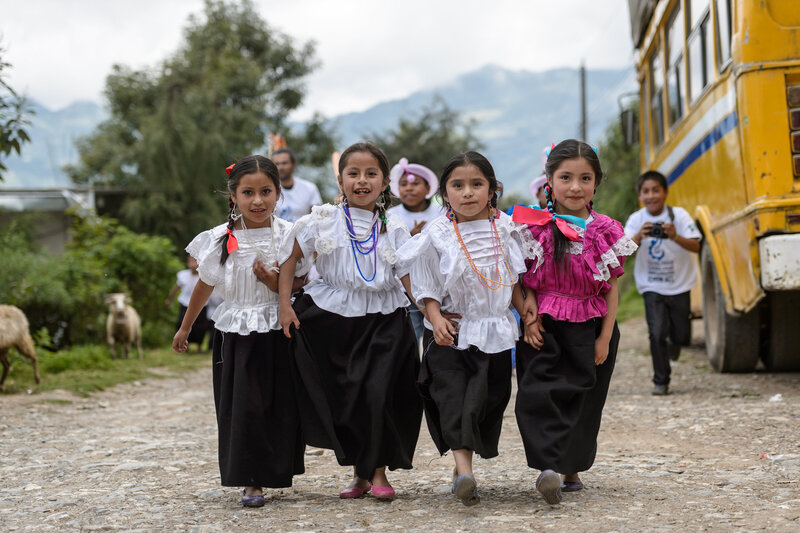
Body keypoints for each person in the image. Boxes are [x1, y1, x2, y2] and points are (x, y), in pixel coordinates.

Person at [277, 142, 422, 501]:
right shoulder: (319, 221)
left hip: (384, 320)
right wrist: (284, 304)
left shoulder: (395, 228)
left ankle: (377, 472)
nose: (362, 181)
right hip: (331, 320)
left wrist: (431, 311)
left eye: (371, 174)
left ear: (385, 181)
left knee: (378, 394)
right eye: (352, 173)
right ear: (339, 179)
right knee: (346, 398)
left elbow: (407, 277)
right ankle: (359, 474)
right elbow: (290, 261)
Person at [397, 151, 536, 506]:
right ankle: (464, 471)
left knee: (489, 399)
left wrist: (528, 314)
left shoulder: (506, 229)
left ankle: (464, 468)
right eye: (458, 185)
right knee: (454, 398)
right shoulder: (438, 233)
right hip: (451, 332)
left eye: (477, 184)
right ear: (445, 193)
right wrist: (435, 315)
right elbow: (423, 279)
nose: (468, 193)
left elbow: (515, 282)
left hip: (495, 332)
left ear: (492, 190)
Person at [172, 155, 308, 508]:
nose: (258, 200)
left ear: (279, 193)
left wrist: (272, 281)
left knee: (277, 405)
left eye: (266, 191)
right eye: (248, 192)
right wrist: (186, 328)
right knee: (243, 406)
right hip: (235, 332)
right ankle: (251, 480)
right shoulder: (218, 240)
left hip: (278, 331)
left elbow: (296, 284)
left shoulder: (289, 235)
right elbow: (204, 285)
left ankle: (275, 470)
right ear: (234, 196)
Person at [512, 139, 637, 504]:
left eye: (585, 178)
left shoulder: (606, 230)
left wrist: (604, 338)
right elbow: (526, 279)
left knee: (584, 400)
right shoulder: (533, 228)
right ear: (549, 180)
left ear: (597, 182)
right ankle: (546, 467)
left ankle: (570, 468)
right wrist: (529, 319)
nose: (575, 187)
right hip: (545, 327)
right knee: (537, 393)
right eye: (565, 177)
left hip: (592, 327)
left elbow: (611, 289)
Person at [624, 170, 701, 396]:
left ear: (665, 192)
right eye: (646, 191)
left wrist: (675, 235)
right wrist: (639, 236)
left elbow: (697, 246)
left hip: (680, 284)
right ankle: (661, 381)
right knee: (656, 332)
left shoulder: (679, 215)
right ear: (640, 195)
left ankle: (675, 345)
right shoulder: (636, 220)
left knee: (681, 336)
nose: (651, 196)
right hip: (651, 285)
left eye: (656, 190)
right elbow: (623, 250)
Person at [387, 157, 445, 341]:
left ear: (428, 188)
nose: (409, 188)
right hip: (406, 287)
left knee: (436, 330)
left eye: (415, 184)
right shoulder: (391, 216)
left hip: (437, 285)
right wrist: (411, 238)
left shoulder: (441, 213)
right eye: (403, 184)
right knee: (411, 333)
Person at [165, 255, 213, 352]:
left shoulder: (205, 275)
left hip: (202, 305)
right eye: (190, 261)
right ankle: (184, 345)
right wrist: (169, 299)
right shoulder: (183, 275)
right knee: (182, 323)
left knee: (201, 327)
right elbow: (176, 288)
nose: (192, 263)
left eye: (194, 261)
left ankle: (199, 346)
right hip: (185, 303)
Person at [273, 148, 323, 223]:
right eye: (277, 164)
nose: (280, 167)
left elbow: (318, 217)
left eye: (284, 163)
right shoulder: (268, 190)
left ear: (293, 165)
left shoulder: (309, 188)